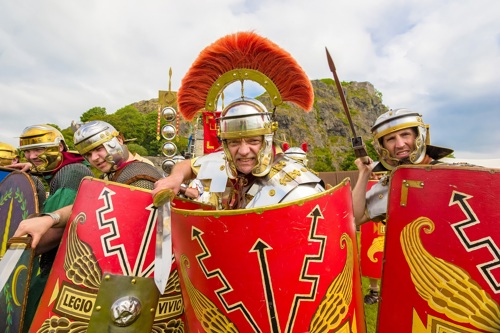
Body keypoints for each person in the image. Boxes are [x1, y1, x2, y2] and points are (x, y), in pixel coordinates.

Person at [352, 108, 453, 303]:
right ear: (383, 146)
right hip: (408, 281)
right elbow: (355, 218)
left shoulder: (452, 175)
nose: (399, 144)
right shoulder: (391, 185)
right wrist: (364, 173)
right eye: (390, 139)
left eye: (405, 134)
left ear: (419, 135)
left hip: (455, 282)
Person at [152, 98, 325, 209]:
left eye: (253, 141)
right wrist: (175, 178)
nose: (243, 151)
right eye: (234, 142)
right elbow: (186, 165)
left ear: (266, 141)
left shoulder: (297, 186)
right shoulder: (226, 162)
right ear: (226, 145)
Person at [14, 120, 162, 249]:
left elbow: (135, 234)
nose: (95, 158)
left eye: (99, 149)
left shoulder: (139, 177)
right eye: (88, 154)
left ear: (119, 140)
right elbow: (87, 208)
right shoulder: (112, 175)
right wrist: (50, 218)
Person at [8, 124, 94, 331]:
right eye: (27, 151)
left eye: (39, 149)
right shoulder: (62, 171)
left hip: (59, 272)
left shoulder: (71, 174)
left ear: (60, 147)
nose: (31, 156)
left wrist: (10, 250)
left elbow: (51, 234)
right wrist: (31, 177)